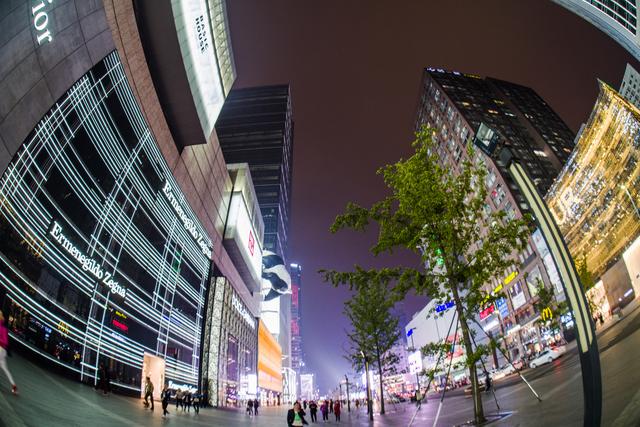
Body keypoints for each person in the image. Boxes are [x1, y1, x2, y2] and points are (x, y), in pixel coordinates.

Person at [0, 312, 16, 395]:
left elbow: (4, 341)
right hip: (3, 351)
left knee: (5, 368)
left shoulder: (1, 329)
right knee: (5, 369)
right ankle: (13, 385)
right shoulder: (3, 328)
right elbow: (5, 342)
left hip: (1, 349)